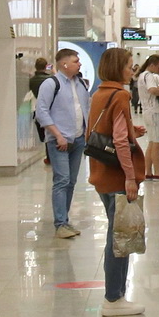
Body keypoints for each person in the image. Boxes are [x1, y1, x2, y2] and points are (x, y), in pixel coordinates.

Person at [86, 47, 146, 316]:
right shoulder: (120, 95)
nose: (132, 70)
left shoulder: (99, 94)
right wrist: (130, 178)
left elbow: (104, 130)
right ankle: (113, 299)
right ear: (117, 68)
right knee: (119, 237)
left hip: (102, 172)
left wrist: (133, 131)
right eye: (129, 66)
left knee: (117, 232)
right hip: (117, 177)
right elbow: (120, 142)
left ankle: (116, 295)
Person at [34, 48, 92, 238]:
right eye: (76, 61)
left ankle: (65, 220)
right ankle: (60, 224)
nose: (79, 64)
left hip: (78, 139)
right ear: (64, 64)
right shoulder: (51, 84)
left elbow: (85, 108)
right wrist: (57, 135)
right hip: (59, 141)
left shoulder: (80, 84)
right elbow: (42, 112)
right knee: (62, 180)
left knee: (71, 182)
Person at [136, 55, 159, 180]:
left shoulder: (142, 75)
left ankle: (148, 172)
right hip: (155, 112)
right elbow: (152, 90)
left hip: (147, 112)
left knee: (152, 142)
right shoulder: (149, 75)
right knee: (157, 143)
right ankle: (157, 172)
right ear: (152, 65)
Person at [28, 57, 54, 163]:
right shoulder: (51, 79)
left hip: (38, 109)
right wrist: (53, 70)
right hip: (51, 109)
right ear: (46, 66)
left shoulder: (31, 80)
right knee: (51, 133)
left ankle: (48, 156)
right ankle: (51, 156)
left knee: (44, 134)